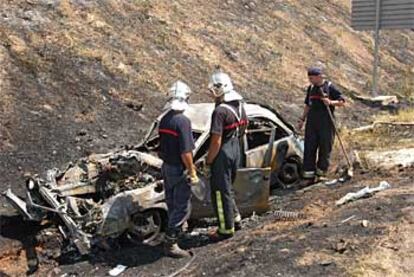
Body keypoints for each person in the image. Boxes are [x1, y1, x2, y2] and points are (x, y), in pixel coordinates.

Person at [204, 70, 248, 241]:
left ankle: (225, 229)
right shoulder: (241, 105)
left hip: (222, 153)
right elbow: (245, 127)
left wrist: (208, 161)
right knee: (228, 188)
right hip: (236, 148)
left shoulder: (220, 111)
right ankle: (235, 219)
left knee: (220, 193)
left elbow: (215, 141)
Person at [158, 81, 199, 258]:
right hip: (179, 168)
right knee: (182, 206)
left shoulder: (164, 120)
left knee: (172, 202)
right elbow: (186, 152)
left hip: (166, 166)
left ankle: (175, 231)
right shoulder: (183, 122)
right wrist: (192, 171)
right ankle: (171, 243)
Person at [298, 67, 345, 185]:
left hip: (326, 122)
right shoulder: (311, 88)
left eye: (312, 78)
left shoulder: (329, 87)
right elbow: (307, 105)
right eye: (309, 78)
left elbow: (342, 101)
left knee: (325, 147)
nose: (310, 80)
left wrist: (331, 102)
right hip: (312, 122)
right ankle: (308, 176)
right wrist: (302, 119)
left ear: (319, 77)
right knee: (309, 147)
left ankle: (321, 174)